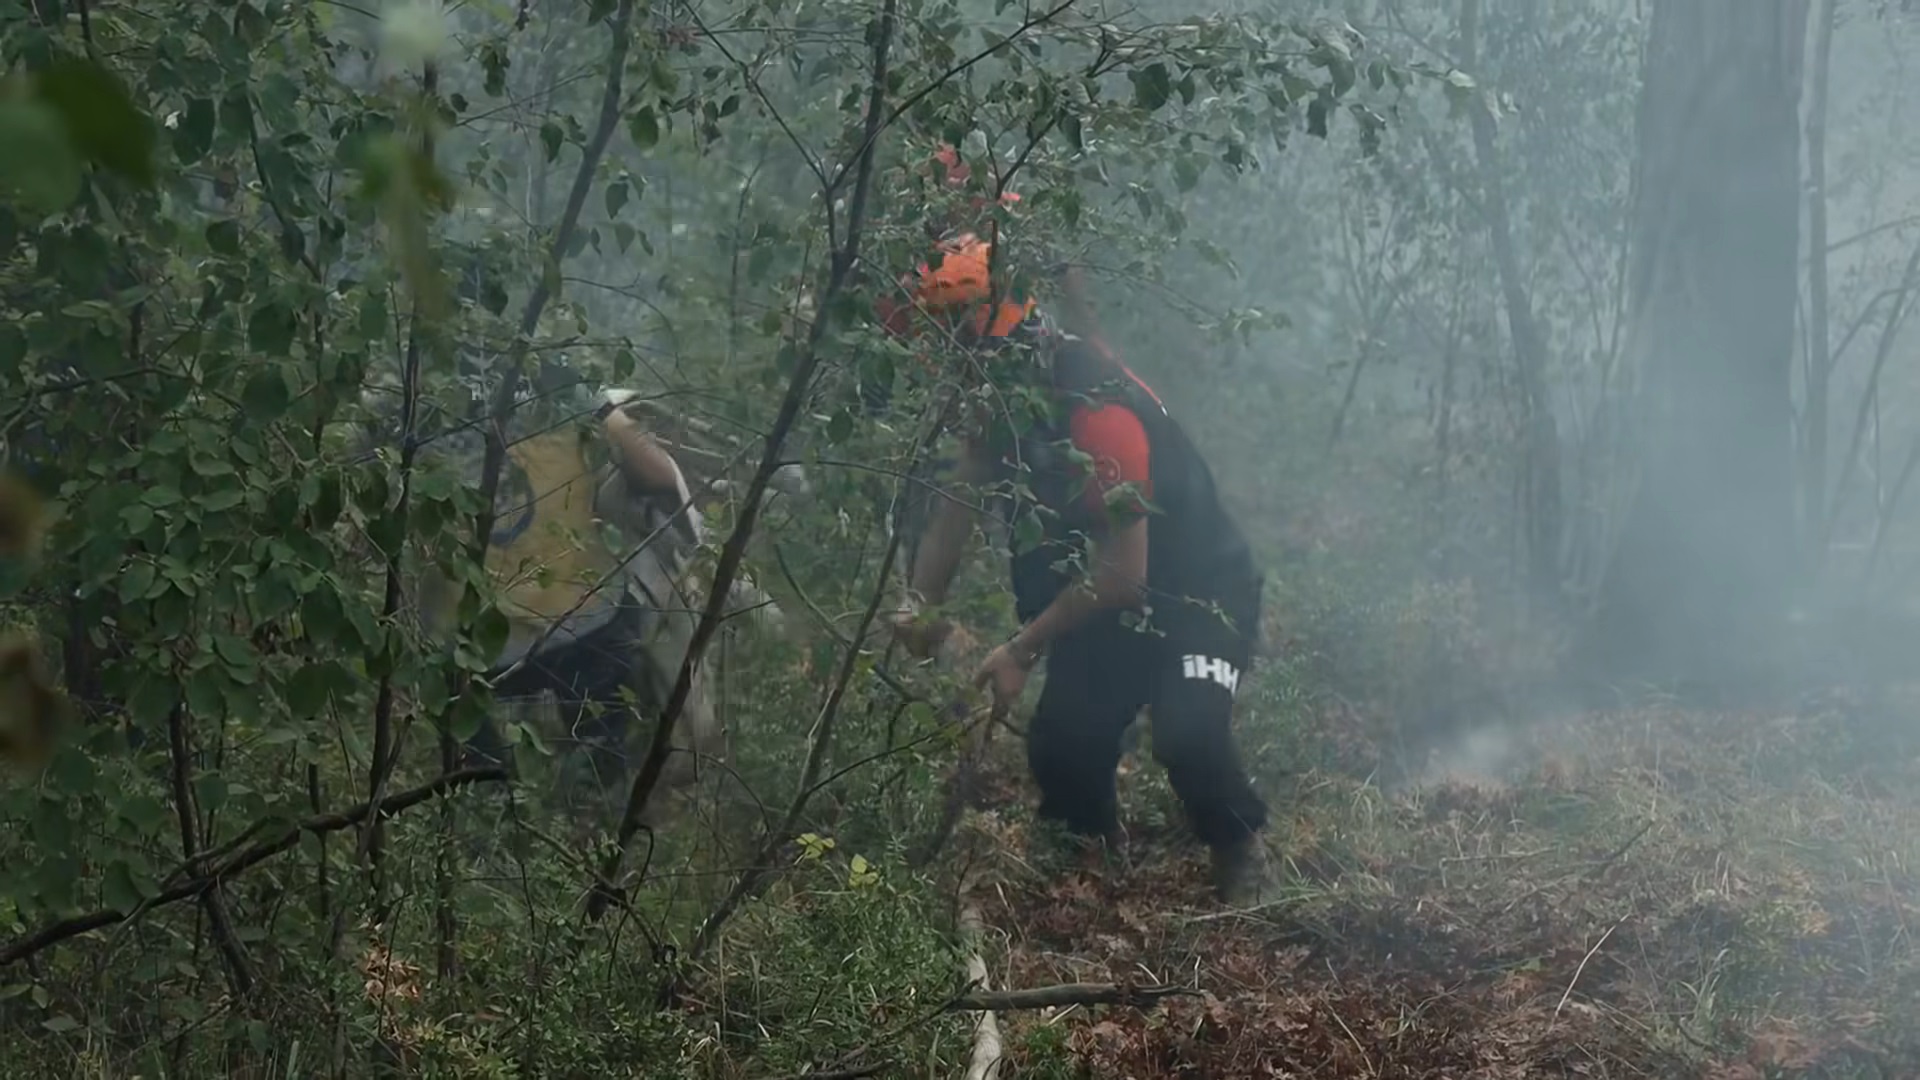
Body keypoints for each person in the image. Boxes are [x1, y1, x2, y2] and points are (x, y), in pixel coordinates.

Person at [882, 180, 1271, 902]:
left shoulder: (1098, 411)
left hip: (1198, 597)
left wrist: (1021, 649)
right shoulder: (1003, 401)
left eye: (961, 357)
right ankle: (1088, 868)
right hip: (1111, 609)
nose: (956, 378)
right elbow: (959, 498)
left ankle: (1238, 848)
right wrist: (920, 602)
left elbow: (1123, 574)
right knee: (1062, 748)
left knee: (1189, 737)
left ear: (996, 344)